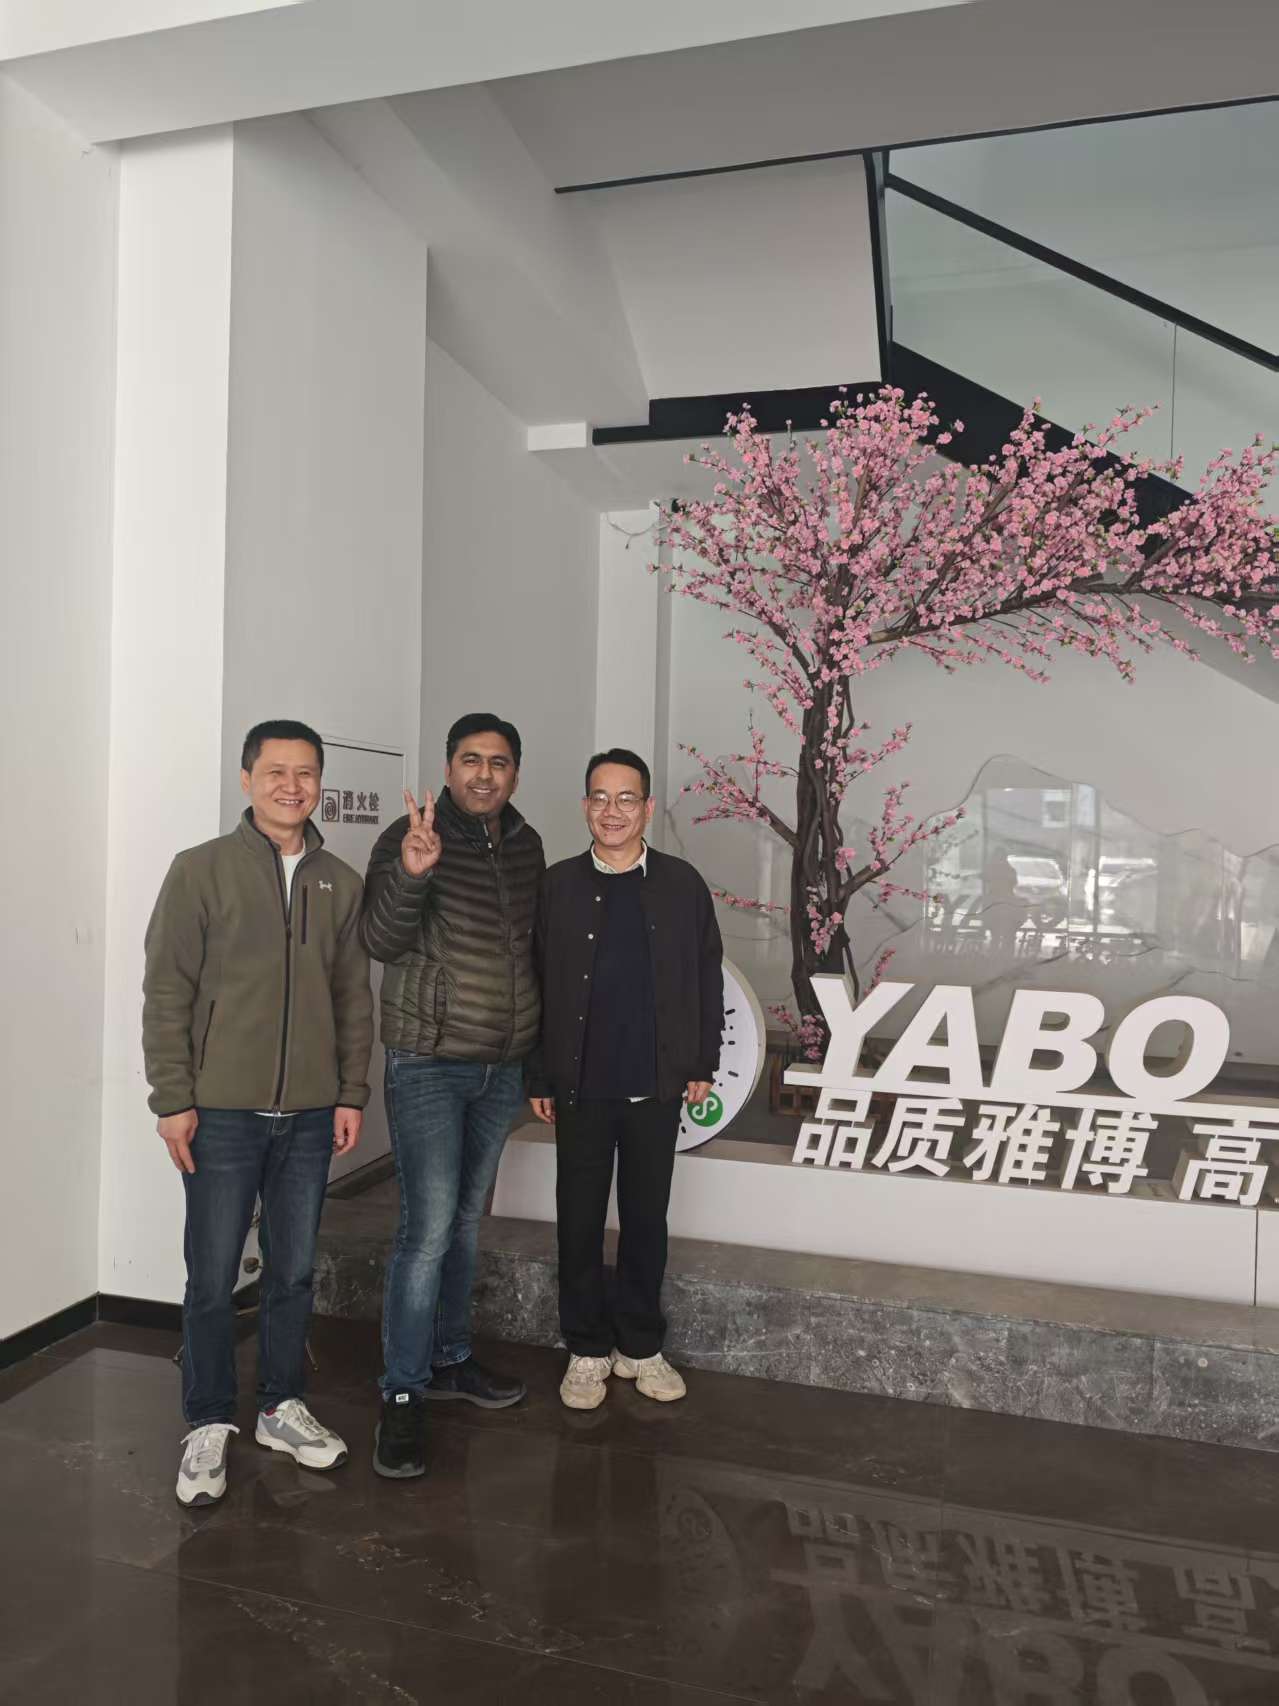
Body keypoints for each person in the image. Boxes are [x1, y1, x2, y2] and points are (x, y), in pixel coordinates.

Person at [143, 719, 373, 1507]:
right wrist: (173, 1099)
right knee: (212, 1276)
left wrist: (349, 1092)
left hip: (309, 1115)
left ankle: (280, 1406)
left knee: (294, 1269)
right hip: (221, 1113)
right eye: (276, 771)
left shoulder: (339, 881)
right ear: (246, 779)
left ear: (319, 784)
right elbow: (166, 991)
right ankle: (208, 1419)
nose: (291, 786)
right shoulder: (200, 870)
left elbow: (352, 997)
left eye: (306, 773)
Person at [360, 713, 545, 1479]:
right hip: (429, 1063)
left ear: (514, 773)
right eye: (470, 760)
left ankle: (449, 1358)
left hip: (501, 1068)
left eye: (498, 762)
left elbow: (535, 952)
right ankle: (402, 1392)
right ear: (448, 767)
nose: (483, 774)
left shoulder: (527, 846)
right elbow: (379, 940)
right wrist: (413, 872)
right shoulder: (410, 837)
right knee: (427, 1230)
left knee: (465, 1223)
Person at [529, 748, 724, 1411]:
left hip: (655, 1086)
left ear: (646, 807)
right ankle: (586, 1348)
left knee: (645, 1219)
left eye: (626, 798)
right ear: (585, 805)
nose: (611, 811)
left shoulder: (681, 884)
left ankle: (640, 1345)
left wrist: (700, 1062)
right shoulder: (558, 885)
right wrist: (539, 1073)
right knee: (578, 1221)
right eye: (599, 797)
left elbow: (705, 976)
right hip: (580, 1086)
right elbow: (536, 983)